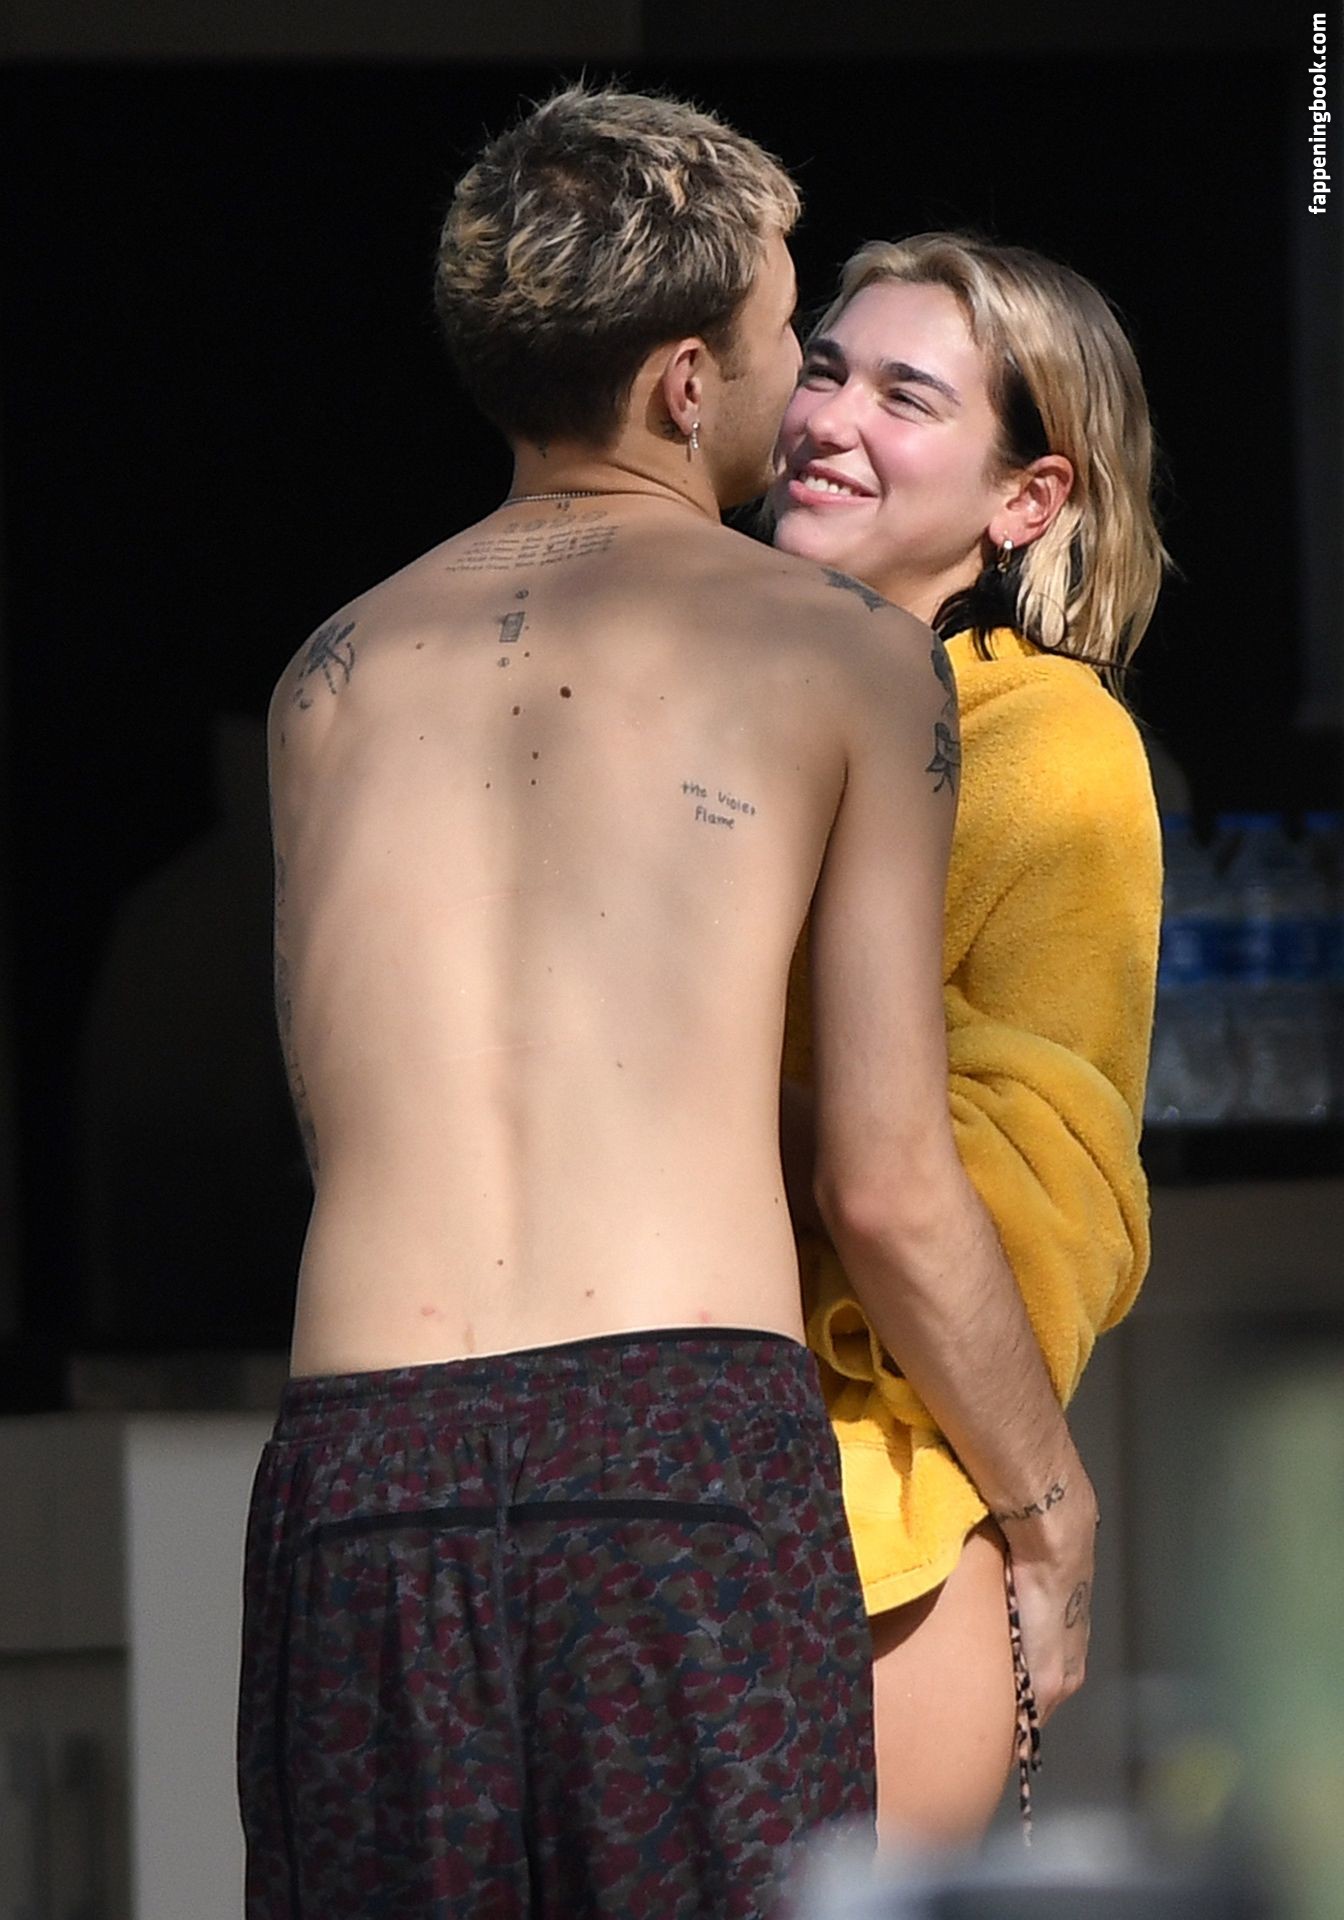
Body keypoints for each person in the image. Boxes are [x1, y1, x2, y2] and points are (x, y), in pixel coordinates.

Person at [237, 85, 1097, 1916]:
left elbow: (338, 1115)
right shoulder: (845, 653)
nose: (803, 387)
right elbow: (887, 1178)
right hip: (677, 1452)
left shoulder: (329, 678)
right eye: (790, 333)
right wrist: (1048, 1503)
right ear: (688, 381)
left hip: (361, 1463)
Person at [771, 232, 1166, 1845]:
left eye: (905, 396)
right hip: (632, 1479)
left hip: (875, 1522)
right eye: (820, 368)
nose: (828, 417)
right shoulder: (686, 691)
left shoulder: (1047, 747)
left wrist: (1049, 1512)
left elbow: (1020, 1207)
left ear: (1028, 498)